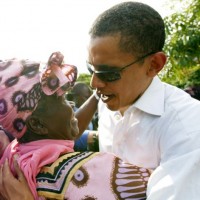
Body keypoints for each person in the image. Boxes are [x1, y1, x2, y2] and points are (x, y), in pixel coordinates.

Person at [1, 1, 200, 199]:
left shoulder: (187, 128)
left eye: (108, 73)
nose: (95, 83)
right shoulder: (108, 105)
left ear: (154, 64)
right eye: (91, 69)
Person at [0, 52, 151, 199]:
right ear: (37, 124)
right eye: (61, 100)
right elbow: (162, 187)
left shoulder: (13, 160)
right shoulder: (92, 171)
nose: (71, 105)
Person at [67, 82, 99, 151]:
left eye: (91, 97)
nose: (90, 100)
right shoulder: (67, 114)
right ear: (75, 97)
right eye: (87, 97)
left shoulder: (91, 113)